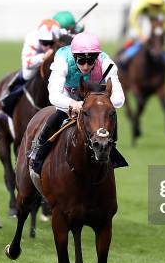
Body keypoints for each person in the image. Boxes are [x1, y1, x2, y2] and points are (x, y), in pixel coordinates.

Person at [29, 32, 127, 177]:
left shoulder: (106, 63)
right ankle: (38, 150)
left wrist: (98, 106)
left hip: (93, 97)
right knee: (59, 114)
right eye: (81, 61)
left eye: (90, 61)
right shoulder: (62, 59)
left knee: (109, 114)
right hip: (68, 94)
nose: (86, 66)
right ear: (74, 57)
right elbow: (54, 95)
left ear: (97, 57)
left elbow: (119, 98)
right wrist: (72, 103)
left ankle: (111, 149)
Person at [0, 19, 61, 118]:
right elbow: (27, 63)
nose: (48, 46)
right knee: (28, 74)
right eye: (45, 43)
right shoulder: (32, 39)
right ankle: (8, 98)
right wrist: (44, 57)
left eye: (51, 43)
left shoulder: (60, 34)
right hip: (34, 59)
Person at [118, 0, 165, 69]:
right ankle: (124, 56)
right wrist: (140, 34)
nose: (155, 6)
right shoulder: (141, 3)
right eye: (153, 4)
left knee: (158, 40)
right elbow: (133, 18)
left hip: (152, 17)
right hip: (139, 16)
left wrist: (162, 36)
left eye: (157, 5)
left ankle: (164, 60)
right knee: (140, 40)